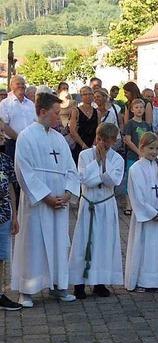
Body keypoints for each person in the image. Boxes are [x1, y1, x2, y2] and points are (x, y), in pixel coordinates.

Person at [11, 93, 80, 307]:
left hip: (59, 201)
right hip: (38, 203)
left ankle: (58, 286)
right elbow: (23, 171)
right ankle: (27, 289)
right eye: (56, 114)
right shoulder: (26, 136)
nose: (60, 118)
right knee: (33, 244)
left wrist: (68, 192)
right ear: (42, 112)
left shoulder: (59, 138)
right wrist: (46, 197)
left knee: (59, 244)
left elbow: (71, 168)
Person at [69, 123, 124, 299]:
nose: (102, 145)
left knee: (103, 243)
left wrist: (103, 165)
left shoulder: (117, 159)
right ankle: (79, 283)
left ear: (114, 142)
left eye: (107, 142)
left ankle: (99, 282)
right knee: (83, 242)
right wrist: (97, 162)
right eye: (100, 140)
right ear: (96, 137)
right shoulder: (85, 155)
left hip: (106, 204)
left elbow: (113, 180)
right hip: (89, 204)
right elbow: (84, 179)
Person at [124, 132, 158, 293]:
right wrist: (152, 212)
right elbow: (137, 195)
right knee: (144, 248)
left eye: (157, 148)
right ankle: (142, 281)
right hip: (146, 218)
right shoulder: (136, 169)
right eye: (151, 148)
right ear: (141, 148)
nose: (154, 152)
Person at [0, 148, 21, 310]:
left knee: (1, 257)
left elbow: (11, 189)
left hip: (4, 216)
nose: (2, 135)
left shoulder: (6, 160)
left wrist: (15, 216)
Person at [0, 75, 37, 161]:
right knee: (14, 171)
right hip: (13, 144)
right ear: (11, 86)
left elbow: (36, 122)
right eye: (18, 84)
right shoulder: (5, 104)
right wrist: (20, 138)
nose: (21, 86)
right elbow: (3, 125)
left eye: (23, 84)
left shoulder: (31, 104)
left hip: (30, 144)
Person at [69, 86, 99, 163]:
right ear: (81, 96)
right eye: (85, 94)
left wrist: (94, 145)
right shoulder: (76, 111)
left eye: (90, 94)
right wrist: (83, 145)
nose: (88, 96)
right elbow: (72, 130)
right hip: (79, 145)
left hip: (92, 146)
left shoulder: (97, 112)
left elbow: (98, 129)